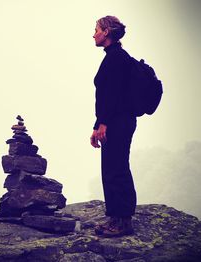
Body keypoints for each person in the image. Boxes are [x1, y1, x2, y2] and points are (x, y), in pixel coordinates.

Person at [90, 16, 137, 237]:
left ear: (106, 32)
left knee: (116, 168)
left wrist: (103, 123)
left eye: (96, 29)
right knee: (113, 167)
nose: (93, 34)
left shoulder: (117, 58)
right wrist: (97, 124)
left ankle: (122, 222)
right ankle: (117, 218)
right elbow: (107, 97)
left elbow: (113, 96)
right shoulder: (115, 56)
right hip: (115, 121)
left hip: (117, 122)